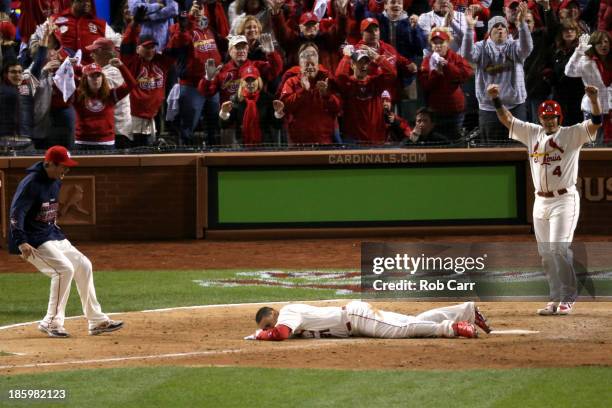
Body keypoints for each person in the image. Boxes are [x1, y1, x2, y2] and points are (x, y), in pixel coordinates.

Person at [486, 83, 602, 315]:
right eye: (545, 117)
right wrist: (496, 99)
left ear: (559, 118)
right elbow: (507, 120)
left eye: (553, 117)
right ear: (540, 117)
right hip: (541, 202)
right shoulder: (532, 133)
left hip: (564, 200)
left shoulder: (571, 134)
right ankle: (554, 298)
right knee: (547, 255)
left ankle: (567, 298)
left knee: (559, 249)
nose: (549, 121)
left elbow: (596, 123)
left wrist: (594, 101)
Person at [8, 145, 124, 338]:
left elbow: (47, 210)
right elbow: (16, 213)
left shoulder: (55, 180)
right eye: (63, 166)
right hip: (32, 240)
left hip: (50, 234)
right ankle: (51, 323)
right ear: (49, 164)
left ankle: (96, 321)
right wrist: (21, 242)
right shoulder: (31, 183)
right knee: (64, 270)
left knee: (84, 265)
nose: (66, 170)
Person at [461, 5, 533, 144]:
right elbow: (466, 54)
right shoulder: (481, 47)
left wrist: (522, 24)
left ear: (507, 31)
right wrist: (469, 29)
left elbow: (527, 48)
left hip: (515, 106)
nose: (500, 28)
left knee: (518, 147)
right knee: (492, 149)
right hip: (489, 108)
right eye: (496, 26)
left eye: (503, 26)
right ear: (489, 31)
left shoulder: (514, 46)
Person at [244, 301, 491, 340]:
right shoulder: (288, 318)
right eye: (266, 328)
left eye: (268, 324)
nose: (270, 328)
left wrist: (260, 335)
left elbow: (282, 334)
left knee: (401, 330)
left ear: (274, 314)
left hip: (355, 318)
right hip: (354, 318)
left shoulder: (287, 312)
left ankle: (453, 328)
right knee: (409, 321)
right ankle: (466, 310)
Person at [280, 43, 341, 145]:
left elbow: (339, 108)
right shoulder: (291, 82)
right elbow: (285, 107)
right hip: (298, 145)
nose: (309, 59)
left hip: (325, 143)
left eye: (313, 54)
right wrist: (303, 91)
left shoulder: (328, 81)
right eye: (304, 56)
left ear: (318, 61)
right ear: (299, 63)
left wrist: (326, 96)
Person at [418, 27, 473, 141]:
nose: (438, 46)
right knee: (437, 142)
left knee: (455, 142)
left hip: (455, 110)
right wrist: (436, 73)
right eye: (435, 43)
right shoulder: (427, 61)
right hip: (435, 112)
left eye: (441, 42)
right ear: (431, 45)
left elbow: (467, 74)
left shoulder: (455, 57)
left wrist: (448, 66)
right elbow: (425, 85)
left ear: (448, 43)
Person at [334, 48, 396, 144]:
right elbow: (340, 76)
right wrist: (346, 56)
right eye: (360, 62)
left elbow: (392, 73)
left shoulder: (375, 83)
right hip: (354, 141)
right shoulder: (348, 83)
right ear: (352, 65)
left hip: (377, 139)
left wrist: (377, 57)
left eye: (366, 62)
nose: (363, 66)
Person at [73, 58, 137, 150]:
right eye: (92, 76)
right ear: (85, 79)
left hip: (106, 143)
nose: (96, 79)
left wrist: (121, 66)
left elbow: (131, 84)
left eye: (98, 76)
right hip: (82, 142)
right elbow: (61, 83)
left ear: (103, 78)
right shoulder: (78, 96)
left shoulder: (110, 95)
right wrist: (69, 66)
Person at [219, 65, 285, 146]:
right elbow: (224, 126)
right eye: (247, 80)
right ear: (242, 82)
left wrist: (278, 113)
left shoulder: (268, 99)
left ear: (259, 81)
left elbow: (277, 126)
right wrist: (224, 113)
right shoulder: (235, 99)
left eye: (253, 80)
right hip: (241, 144)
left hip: (265, 144)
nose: (250, 84)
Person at [564, 31, 612, 145]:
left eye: (606, 42)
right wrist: (578, 52)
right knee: (592, 144)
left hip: (610, 110)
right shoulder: (585, 61)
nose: (603, 45)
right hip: (592, 109)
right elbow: (569, 72)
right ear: (593, 45)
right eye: (599, 42)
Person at [86, 37, 132, 148]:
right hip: (110, 130)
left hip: (119, 131)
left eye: (95, 52)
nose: (91, 55)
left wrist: (78, 70)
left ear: (106, 54)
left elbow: (96, 88)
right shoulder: (103, 70)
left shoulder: (114, 70)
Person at [550, 20, 584, 126]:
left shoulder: (581, 49)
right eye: (565, 30)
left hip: (577, 95)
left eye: (572, 29)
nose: (569, 32)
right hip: (560, 95)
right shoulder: (556, 50)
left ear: (577, 32)